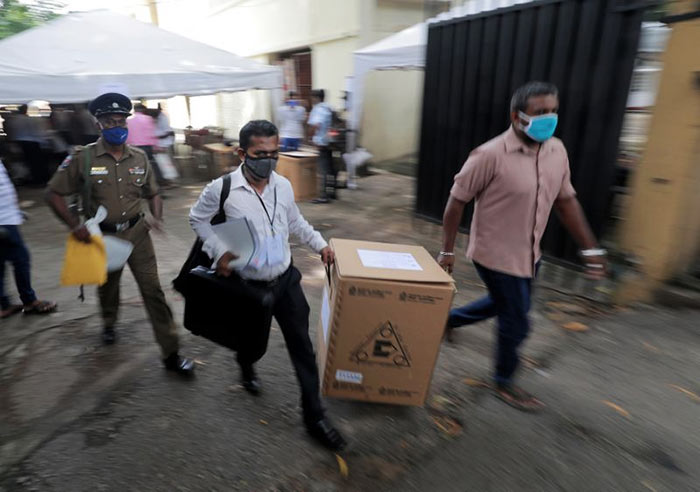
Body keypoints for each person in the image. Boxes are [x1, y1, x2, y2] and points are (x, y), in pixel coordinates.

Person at [438, 81, 606, 411]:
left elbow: (566, 201)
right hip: (494, 254)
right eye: (540, 112)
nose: (549, 118)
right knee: (517, 321)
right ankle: (504, 380)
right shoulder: (489, 155)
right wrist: (447, 250)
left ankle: (449, 320)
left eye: (553, 111)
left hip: (530, 253)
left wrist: (591, 250)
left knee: (503, 304)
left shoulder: (557, 150)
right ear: (517, 116)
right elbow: (456, 202)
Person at [189, 119, 346, 450]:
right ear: (242, 153)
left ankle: (314, 416)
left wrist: (320, 245)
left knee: (303, 347)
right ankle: (245, 365)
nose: (269, 161)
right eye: (261, 153)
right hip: (249, 286)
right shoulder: (222, 189)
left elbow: (295, 221)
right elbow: (197, 219)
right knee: (253, 343)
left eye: (275, 153)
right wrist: (218, 251)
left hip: (286, 280)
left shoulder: (283, 185)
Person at [45, 92, 194, 376]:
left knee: (153, 292)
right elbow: (52, 194)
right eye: (110, 121)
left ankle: (171, 353)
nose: (117, 126)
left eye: (121, 121)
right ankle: (109, 322)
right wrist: (75, 226)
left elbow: (154, 193)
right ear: (98, 123)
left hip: (138, 235)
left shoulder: (139, 157)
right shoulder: (82, 158)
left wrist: (156, 217)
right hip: (102, 238)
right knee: (108, 286)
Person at [1, 159, 57, 318]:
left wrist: (15, 211)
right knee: (21, 259)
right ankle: (29, 301)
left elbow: (4, 189)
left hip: (8, 218)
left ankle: (4, 305)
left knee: (3, 263)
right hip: (4, 222)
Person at [307, 89, 336, 204]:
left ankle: (323, 196)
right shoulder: (329, 107)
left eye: (312, 97)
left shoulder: (318, 109)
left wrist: (310, 137)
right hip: (330, 141)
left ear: (316, 98)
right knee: (330, 169)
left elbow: (316, 125)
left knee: (322, 170)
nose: (311, 100)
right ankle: (332, 192)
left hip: (321, 143)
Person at [126, 103, 165, 185]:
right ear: (143, 110)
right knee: (151, 166)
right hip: (146, 147)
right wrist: (156, 146)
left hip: (133, 147)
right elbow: (151, 133)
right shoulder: (148, 119)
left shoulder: (128, 120)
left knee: (136, 167)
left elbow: (127, 135)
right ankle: (155, 185)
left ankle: (139, 184)